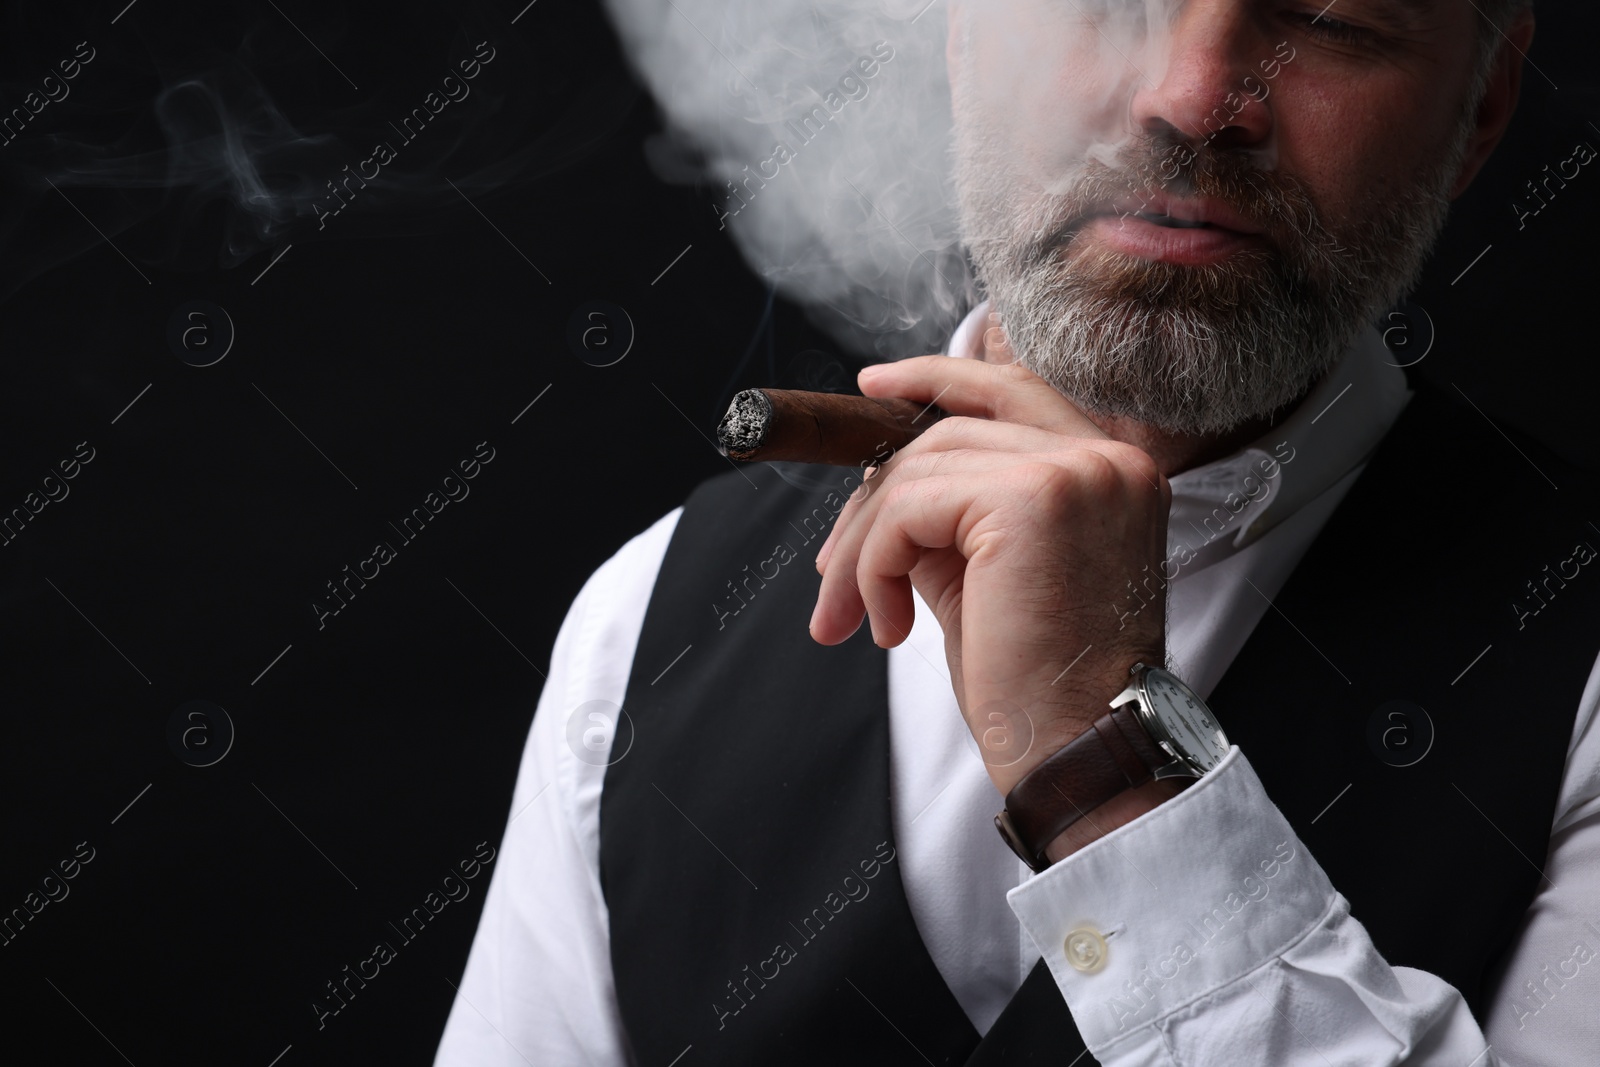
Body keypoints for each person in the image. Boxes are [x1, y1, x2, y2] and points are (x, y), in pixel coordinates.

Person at [436, 1, 1600, 1063]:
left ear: (1483, 98)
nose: (1193, 100)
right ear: (958, 36)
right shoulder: (646, 625)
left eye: (1330, 18)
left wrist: (1099, 762)